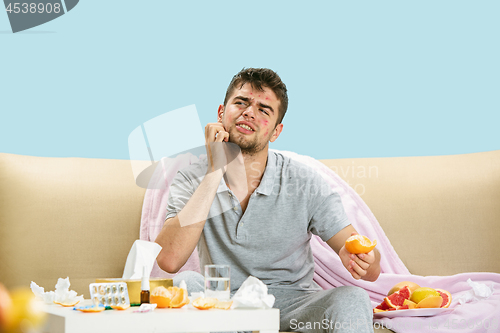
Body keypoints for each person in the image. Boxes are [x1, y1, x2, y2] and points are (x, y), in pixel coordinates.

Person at [155, 68, 380, 332]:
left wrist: (361, 259)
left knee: (353, 298)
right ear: (220, 113)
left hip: (292, 305)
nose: (249, 112)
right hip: (222, 305)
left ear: (276, 131)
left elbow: (372, 268)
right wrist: (214, 170)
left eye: (264, 110)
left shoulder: (305, 181)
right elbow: (168, 261)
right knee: (187, 282)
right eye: (241, 102)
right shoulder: (192, 177)